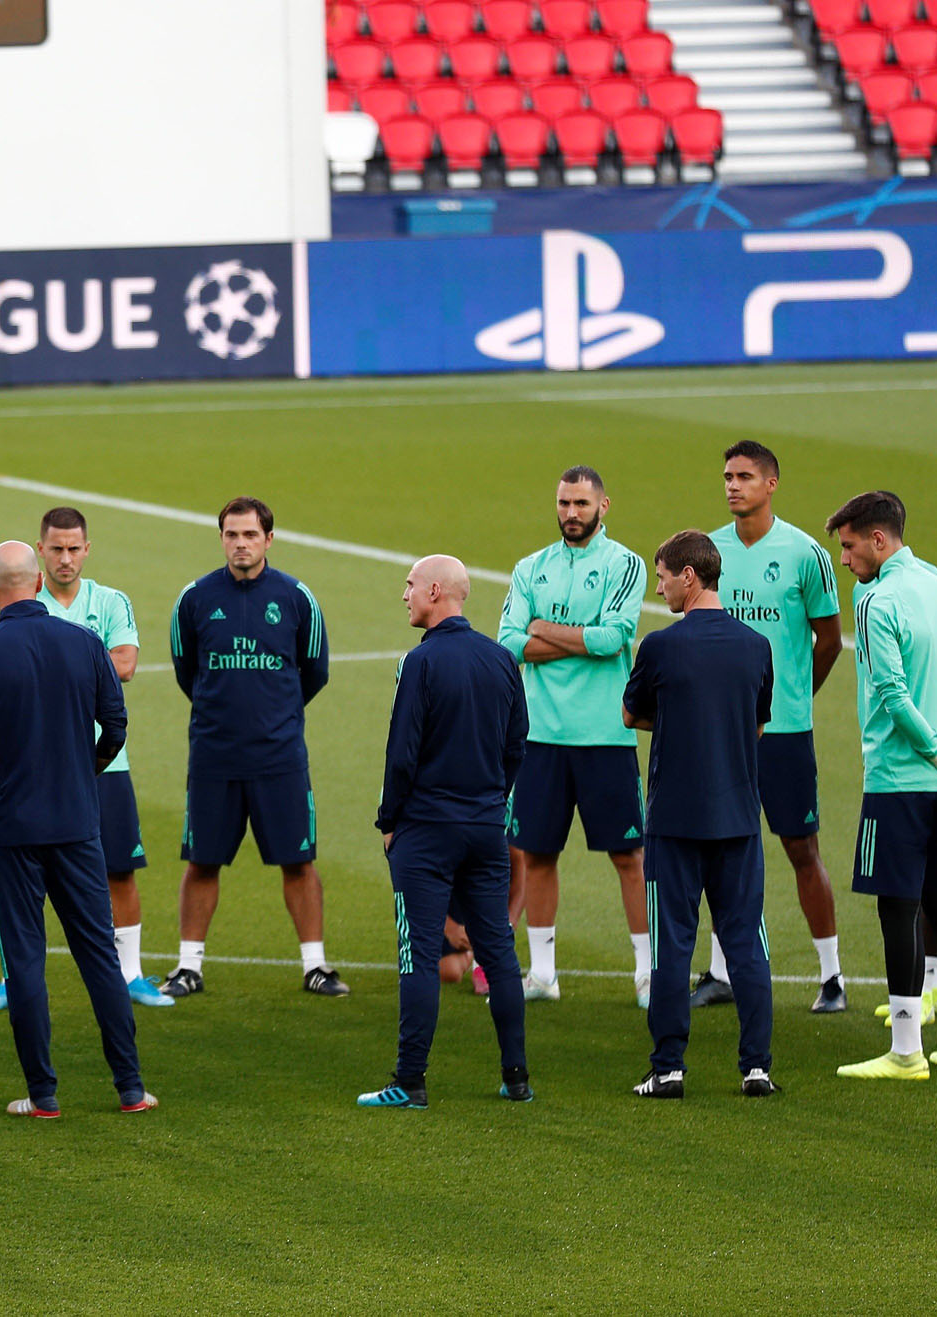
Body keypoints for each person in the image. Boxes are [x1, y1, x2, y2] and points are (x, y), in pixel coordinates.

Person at [0, 542, 152, 1118]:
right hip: (76, 823)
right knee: (98, 954)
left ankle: (43, 1095)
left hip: (11, 830)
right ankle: (131, 1088)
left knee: (24, 959)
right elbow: (114, 726)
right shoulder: (85, 643)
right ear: (38, 580)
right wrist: (82, 772)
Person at [0, 508, 172, 1012]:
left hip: (105, 764)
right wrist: (78, 661)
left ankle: (130, 973)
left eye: (74, 548)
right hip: (33, 768)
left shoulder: (108, 601)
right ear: (40, 552)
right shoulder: (23, 597)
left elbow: (126, 663)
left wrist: (56, 663)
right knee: (22, 883)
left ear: (87, 549)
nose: (65, 558)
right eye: (56, 549)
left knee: (120, 868)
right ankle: (10, 978)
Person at [828, 492, 937, 1080]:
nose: (844, 560)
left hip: (899, 780)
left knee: (898, 910)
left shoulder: (876, 600)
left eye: (848, 546)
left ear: (878, 540)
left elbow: (892, 695)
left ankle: (905, 1052)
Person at [359, 555, 531, 1111]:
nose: (404, 594)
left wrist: (389, 822)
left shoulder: (420, 663)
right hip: (485, 827)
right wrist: (488, 800)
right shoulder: (503, 660)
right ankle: (517, 1077)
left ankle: (410, 1081)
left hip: (427, 831)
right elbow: (516, 746)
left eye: (410, 585)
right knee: (500, 955)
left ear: (436, 590)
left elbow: (401, 754)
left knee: (417, 953)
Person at [161, 496, 339, 999]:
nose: (241, 544)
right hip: (215, 757)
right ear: (221, 539)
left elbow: (315, 670)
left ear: (269, 540)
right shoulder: (194, 599)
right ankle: (188, 966)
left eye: (250, 535)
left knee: (298, 862)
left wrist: (277, 714)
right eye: (232, 535)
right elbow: (185, 669)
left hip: (279, 758)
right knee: (202, 861)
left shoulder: (296, 597)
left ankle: (315, 966)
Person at [623, 532, 778, 1100]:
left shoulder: (660, 646)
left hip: (674, 820)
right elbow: (758, 724)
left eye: (662, 576)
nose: (658, 586)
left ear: (690, 576)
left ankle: (668, 1069)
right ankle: (756, 1068)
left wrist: (677, 721)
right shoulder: (756, 645)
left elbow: (628, 714)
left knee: (673, 946)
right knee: (746, 943)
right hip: (738, 816)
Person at [496, 466, 651, 1007]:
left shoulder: (624, 565)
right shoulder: (529, 567)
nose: (571, 514)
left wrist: (543, 628)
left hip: (606, 735)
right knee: (535, 854)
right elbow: (508, 644)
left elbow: (613, 639)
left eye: (582, 504)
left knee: (629, 857)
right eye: (564, 503)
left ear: (603, 506)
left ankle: (647, 974)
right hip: (540, 737)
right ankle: (542, 974)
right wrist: (574, 639)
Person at [703, 441, 847, 1014]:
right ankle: (719, 973)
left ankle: (832, 976)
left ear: (771, 484)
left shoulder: (805, 553)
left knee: (800, 848)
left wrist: (793, 696)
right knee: (722, 848)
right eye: (727, 476)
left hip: (784, 732)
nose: (733, 485)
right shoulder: (708, 550)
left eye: (744, 476)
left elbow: (829, 639)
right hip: (721, 731)